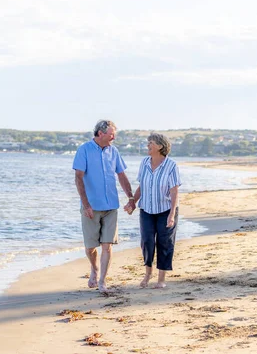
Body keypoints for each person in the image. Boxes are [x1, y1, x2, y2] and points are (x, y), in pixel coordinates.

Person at [73, 120, 135, 292]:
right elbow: (78, 178)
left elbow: (121, 176)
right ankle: (94, 268)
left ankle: (102, 281)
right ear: (101, 133)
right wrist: (86, 205)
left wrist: (130, 197)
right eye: (111, 134)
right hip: (91, 207)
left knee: (107, 245)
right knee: (90, 247)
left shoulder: (113, 151)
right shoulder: (84, 150)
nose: (114, 137)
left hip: (111, 207)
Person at [125, 133, 181, 289]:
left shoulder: (171, 165)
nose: (148, 145)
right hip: (147, 210)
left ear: (160, 146)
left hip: (166, 210)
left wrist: (171, 214)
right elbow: (142, 186)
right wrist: (132, 202)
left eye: (151, 143)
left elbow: (174, 191)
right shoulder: (144, 163)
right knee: (147, 242)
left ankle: (161, 279)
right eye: (148, 142)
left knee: (164, 243)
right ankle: (148, 274)